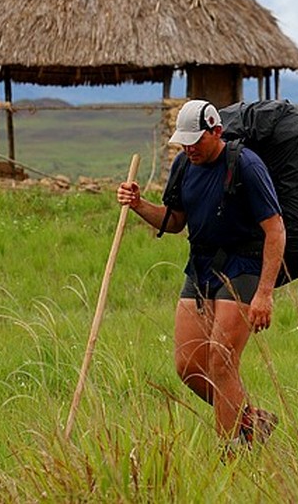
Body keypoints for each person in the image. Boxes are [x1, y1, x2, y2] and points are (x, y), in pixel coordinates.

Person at [117, 99, 285, 452]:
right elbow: (175, 222)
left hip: (242, 267)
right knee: (189, 367)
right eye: (184, 141)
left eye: (196, 140)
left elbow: (275, 229)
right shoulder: (183, 165)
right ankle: (254, 420)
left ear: (217, 132)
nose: (189, 148)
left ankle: (232, 454)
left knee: (221, 362)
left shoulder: (246, 166)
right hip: (200, 267)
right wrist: (138, 205)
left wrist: (264, 293)